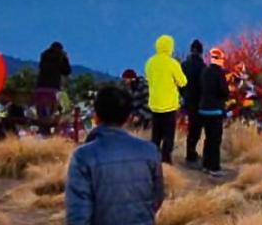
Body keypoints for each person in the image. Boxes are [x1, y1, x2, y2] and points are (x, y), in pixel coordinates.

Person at [65, 85, 163, 225]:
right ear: (129, 117)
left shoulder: (83, 156)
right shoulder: (150, 151)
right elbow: (157, 198)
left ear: (96, 117)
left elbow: (78, 213)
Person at [143, 34, 187, 163]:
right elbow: (183, 82)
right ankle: (166, 160)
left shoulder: (150, 63)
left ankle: (154, 159)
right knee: (168, 135)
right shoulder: (172, 63)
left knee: (155, 134)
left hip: (155, 104)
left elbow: (148, 78)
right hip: (169, 105)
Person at [197, 47, 230, 176]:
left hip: (204, 109)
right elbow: (224, 92)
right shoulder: (219, 73)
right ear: (219, 59)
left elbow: (200, 88)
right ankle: (214, 167)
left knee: (207, 138)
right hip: (215, 110)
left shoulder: (204, 71)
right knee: (215, 140)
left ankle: (205, 164)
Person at [36, 41, 72, 136]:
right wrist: (66, 58)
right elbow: (67, 71)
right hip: (53, 88)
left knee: (43, 115)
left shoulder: (44, 56)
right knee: (55, 114)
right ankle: (52, 136)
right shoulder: (60, 57)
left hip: (40, 88)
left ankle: (44, 133)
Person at [180, 40, 205, 166]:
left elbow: (179, 83)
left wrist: (183, 95)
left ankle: (189, 153)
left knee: (190, 127)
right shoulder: (203, 66)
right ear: (201, 51)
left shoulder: (183, 65)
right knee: (196, 128)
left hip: (187, 100)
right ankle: (192, 153)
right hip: (198, 101)